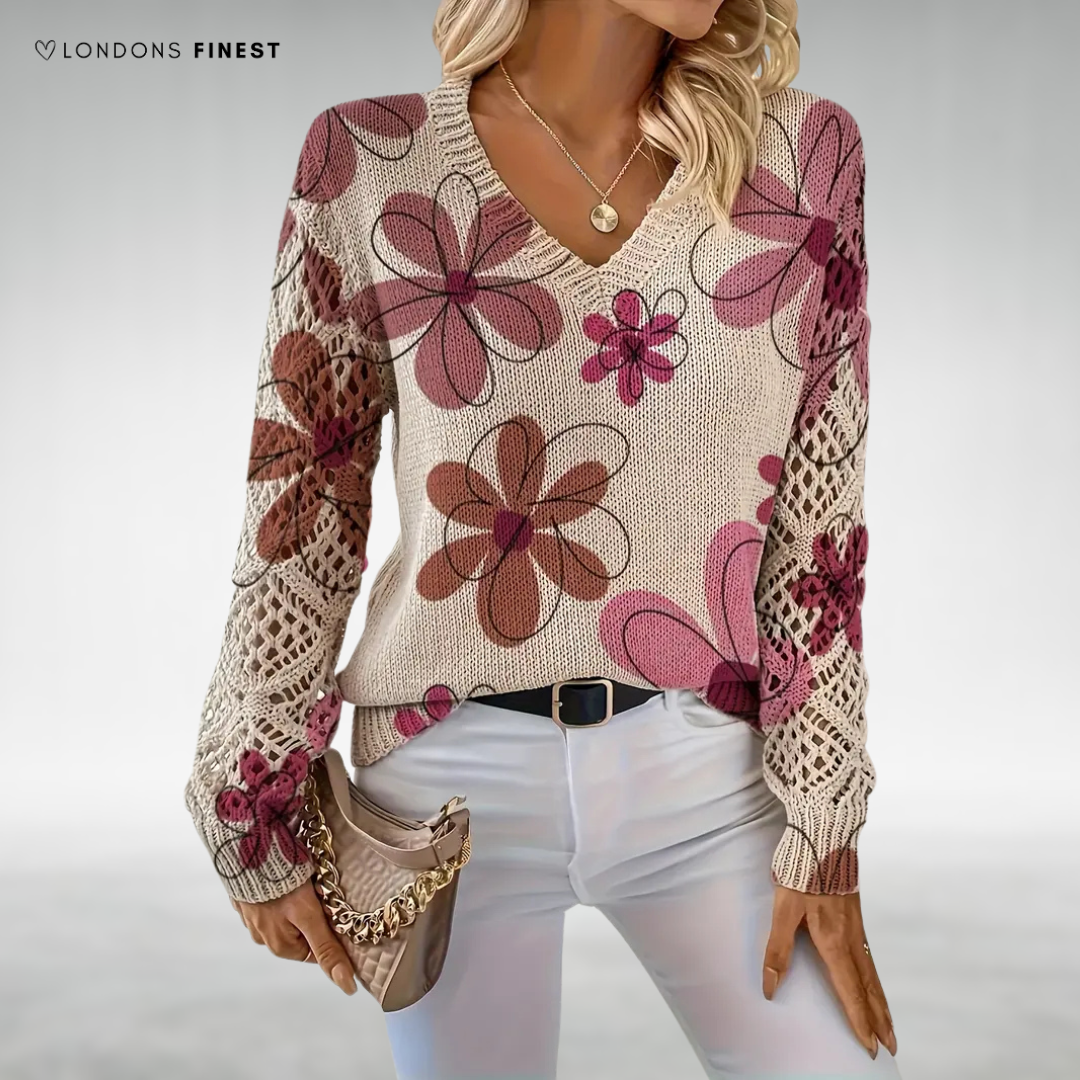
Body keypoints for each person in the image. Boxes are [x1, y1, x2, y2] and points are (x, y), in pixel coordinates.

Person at [184, 0, 903, 1075]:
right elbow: (301, 506)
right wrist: (250, 791)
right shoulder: (369, 162)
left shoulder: (804, 162)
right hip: (444, 797)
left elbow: (818, 533)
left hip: (710, 778)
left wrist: (824, 815)